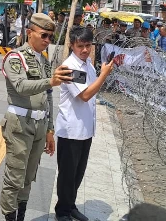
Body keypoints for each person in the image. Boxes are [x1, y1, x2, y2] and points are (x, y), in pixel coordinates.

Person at [0, 13, 73, 221]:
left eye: (51, 36)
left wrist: (50, 130)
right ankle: (9, 217)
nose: (47, 40)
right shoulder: (15, 57)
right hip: (19, 125)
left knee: (28, 177)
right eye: (44, 35)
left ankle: (21, 216)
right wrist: (50, 81)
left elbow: (48, 98)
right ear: (29, 32)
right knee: (15, 176)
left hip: (39, 125)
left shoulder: (44, 60)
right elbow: (21, 87)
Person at [54, 27, 114, 221]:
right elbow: (86, 95)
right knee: (67, 175)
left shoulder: (87, 64)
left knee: (78, 173)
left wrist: (100, 72)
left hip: (85, 129)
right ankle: (62, 211)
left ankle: (70, 206)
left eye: (88, 45)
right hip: (71, 130)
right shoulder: (70, 67)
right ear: (72, 45)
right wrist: (104, 74)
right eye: (80, 46)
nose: (85, 50)